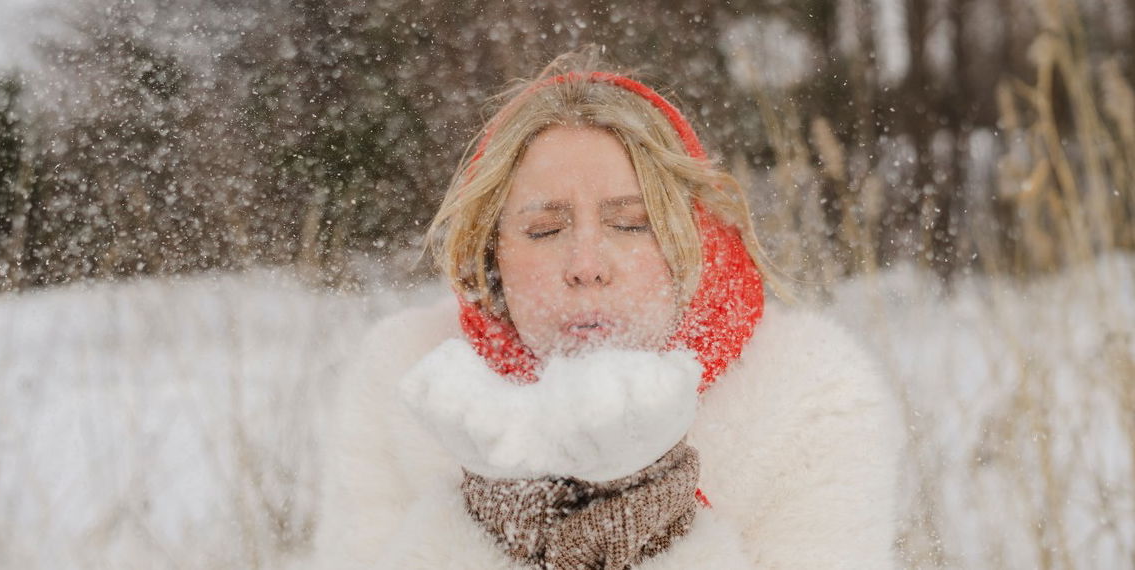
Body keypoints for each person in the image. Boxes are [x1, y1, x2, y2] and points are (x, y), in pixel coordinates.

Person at [315, 51, 903, 569]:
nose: (586, 264)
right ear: (491, 249)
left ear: (689, 236)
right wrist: (498, 523)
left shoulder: (811, 394)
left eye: (630, 224)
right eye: (544, 230)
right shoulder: (410, 379)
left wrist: (653, 532)